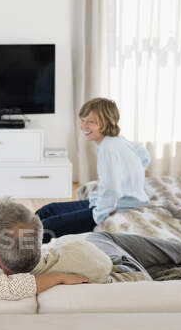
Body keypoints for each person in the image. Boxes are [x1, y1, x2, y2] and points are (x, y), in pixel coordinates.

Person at [0, 199, 181, 281]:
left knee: (105, 241)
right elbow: (103, 263)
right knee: (102, 236)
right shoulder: (75, 250)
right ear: (40, 236)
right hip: (123, 269)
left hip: (121, 270)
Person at [36, 97, 150, 243]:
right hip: (113, 202)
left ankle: (20, 252)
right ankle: (14, 236)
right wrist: (130, 178)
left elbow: (112, 189)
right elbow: (144, 155)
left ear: (107, 122)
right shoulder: (118, 140)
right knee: (48, 210)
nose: (84, 126)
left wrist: (101, 214)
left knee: (47, 227)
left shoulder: (108, 148)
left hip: (118, 208)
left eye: (91, 122)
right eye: (82, 120)